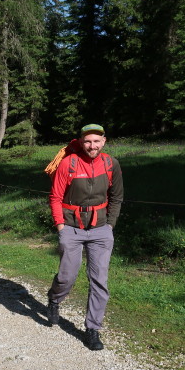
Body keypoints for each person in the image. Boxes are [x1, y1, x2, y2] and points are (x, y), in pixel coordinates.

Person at [47, 124, 123, 351]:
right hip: (71, 227)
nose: (92, 146)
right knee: (67, 276)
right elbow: (55, 197)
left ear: (104, 141)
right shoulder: (68, 164)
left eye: (96, 141)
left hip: (100, 229)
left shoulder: (111, 164)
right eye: (88, 141)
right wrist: (60, 227)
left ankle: (92, 329)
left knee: (99, 279)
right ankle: (54, 300)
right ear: (81, 142)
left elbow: (117, 197)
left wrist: (110, 225)